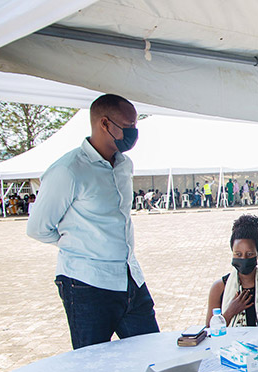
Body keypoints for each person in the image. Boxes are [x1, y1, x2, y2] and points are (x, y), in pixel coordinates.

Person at [27, 94, 159, 349]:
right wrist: (80, 244)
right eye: (127, 126)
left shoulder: (124, 165)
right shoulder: (68, 170)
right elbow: (37, 228)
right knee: (93, 366)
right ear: (104, 124)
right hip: (87, 284)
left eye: (135, 125)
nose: (133, 132)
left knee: (151, 353)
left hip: (130, 277)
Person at [205, 215, 258, 327]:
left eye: (250, 254)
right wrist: (230, 311)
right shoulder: (219, 288)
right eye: (238, 254)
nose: (243, 259)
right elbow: (209, 332)